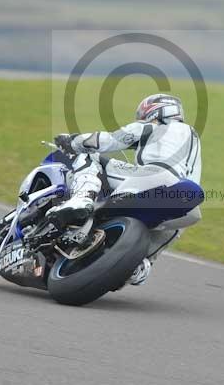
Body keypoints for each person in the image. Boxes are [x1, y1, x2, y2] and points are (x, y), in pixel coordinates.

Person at [48, 93, 202, 285]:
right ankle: (141, 264)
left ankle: (82, 198)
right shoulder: (192, 139)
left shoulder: (154, 125)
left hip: (152, 175)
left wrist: (73, 142)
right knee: (173, 227)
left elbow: (109, 141)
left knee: (91, 157)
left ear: (154, 109)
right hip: (186, 199)